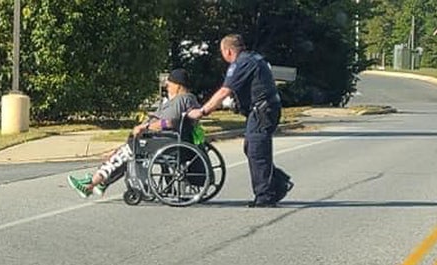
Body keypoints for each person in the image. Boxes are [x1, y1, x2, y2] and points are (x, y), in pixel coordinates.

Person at [188, 34, 291, 207]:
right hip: (264, 109)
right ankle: (278, 183)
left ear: (227, 51)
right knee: (252, 148)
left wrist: (203, 111)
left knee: (257, 150)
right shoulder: (251, 58)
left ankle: (266, 195)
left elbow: (224, 91)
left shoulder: (242, 63)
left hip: (262, 111)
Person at [67, 68, 200, 198]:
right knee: (126, 151)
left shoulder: (180, 100)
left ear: (177, 85)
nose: (167, 87)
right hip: (170, 141)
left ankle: (91, 184)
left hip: (164, 141)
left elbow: (169, 122)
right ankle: (102, 181)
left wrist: (145, 127)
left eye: (169, 85)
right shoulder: (189, 99)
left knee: (127, 152)